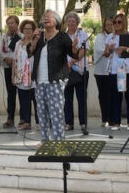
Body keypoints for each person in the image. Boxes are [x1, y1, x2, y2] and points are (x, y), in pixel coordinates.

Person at [29, 9, 81, 141]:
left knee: (56, 112)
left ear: (56, 21)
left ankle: (59, 141)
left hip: (56, 80)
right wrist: (34, 39)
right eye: (44, 17)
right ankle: (45, 140)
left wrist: (75, 47)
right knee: (41, 112)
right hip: (39, 80)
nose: (45, 18)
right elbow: (30, 52)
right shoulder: (39, 37)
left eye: (48, 16)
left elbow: (73, 54)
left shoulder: (62, 36)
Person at [104, 14, 129, 130]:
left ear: (124, 23)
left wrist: (125, 49)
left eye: (119, 22)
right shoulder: (110, 37)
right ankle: (117, 122)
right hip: (116, 69)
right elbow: (106, 54)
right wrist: (109, 49)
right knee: (116, 96)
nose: (116, 24)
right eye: (114, 22)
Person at [62, 11, 90, 133]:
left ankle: (83, 123)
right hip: (66, 71)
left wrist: (73, 60)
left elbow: (84, 50)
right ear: (66, 22)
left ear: (77, 23)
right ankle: (68, 123)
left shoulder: (82, 34)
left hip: (80, 71)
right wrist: (65, 63)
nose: (71, 23)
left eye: (73, 21)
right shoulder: (62, 36)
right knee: (67, 98)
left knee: (81, 98)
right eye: (69, 21)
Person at [12, 19, 36, 130]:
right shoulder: (18, 43)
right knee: (24, 101)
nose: (27, 31)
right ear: (22, 30)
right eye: (25, 29)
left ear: (33, 30)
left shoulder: (37, 42)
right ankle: (26, 122)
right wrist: (13, 75)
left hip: (33, 76)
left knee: (37, 101)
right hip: (21, 76)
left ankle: (40, 122)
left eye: (30, 29)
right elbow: (15, 60)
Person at [0, 15, 22, 128]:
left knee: (23, 94)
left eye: (12, 23)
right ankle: (10, 118)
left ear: (17, 24)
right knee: (11, 94)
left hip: (20, 68)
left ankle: (23, 119)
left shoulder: (22, 36)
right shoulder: (3, 37)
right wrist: (5, 58)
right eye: (8, 23)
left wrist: (15, 61)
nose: (10, 25)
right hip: (8, 67)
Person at [92, 18, 114, 127]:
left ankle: (113, 118)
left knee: (113, 95)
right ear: (104, 26)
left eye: (111, 24)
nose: (109, 26)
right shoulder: (100, 37)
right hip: (100, 71)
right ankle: (104, 118)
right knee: (103, 95)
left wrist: (109, 49)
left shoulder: (116, 36)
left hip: (113, 70)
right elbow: (100, 50)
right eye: (107, 24)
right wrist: (110, 48)